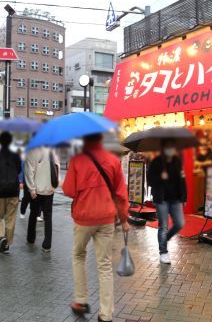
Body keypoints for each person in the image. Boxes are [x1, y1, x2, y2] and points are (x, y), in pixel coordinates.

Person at [63, 133, 130, 322]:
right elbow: (121, 194)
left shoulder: (77, 160)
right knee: (104, 265)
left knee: (78, 255)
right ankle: (106, 314)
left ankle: (81, 300)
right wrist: (124, 219)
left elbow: (68, 190)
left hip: (83, 218)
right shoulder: (112, 160)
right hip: (107, 218)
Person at [147, 140, 187, 265]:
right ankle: (163, 252)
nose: (171, 150)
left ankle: (165, 239)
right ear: (163, 149)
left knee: (180, 223)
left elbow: (182, 180)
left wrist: (184, 197)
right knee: (163, 226)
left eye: (172, 147)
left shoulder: (177, 161)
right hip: (162, 199)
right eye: (168, 147)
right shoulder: (156, 162)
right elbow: (150, 181)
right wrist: (160, 177)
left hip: (175, 199)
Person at [25, 146, 60, 252]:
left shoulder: (32, 151)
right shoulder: (52, 150)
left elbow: (29, 172)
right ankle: (47, 245)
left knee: (33, 214)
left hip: (36, 190)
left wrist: (31, 189)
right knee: (48, 217)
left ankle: (31, 238)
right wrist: (54, 187)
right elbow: (57, 168)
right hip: (49, 190)